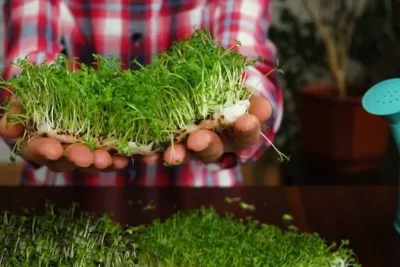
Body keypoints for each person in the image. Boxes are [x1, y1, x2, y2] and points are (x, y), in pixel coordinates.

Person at [0, 0, 283, 186]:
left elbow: (243, 52)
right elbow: (28, 57)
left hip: (199, 194)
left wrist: (247, 92)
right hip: (62, 197)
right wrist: (26, 97)